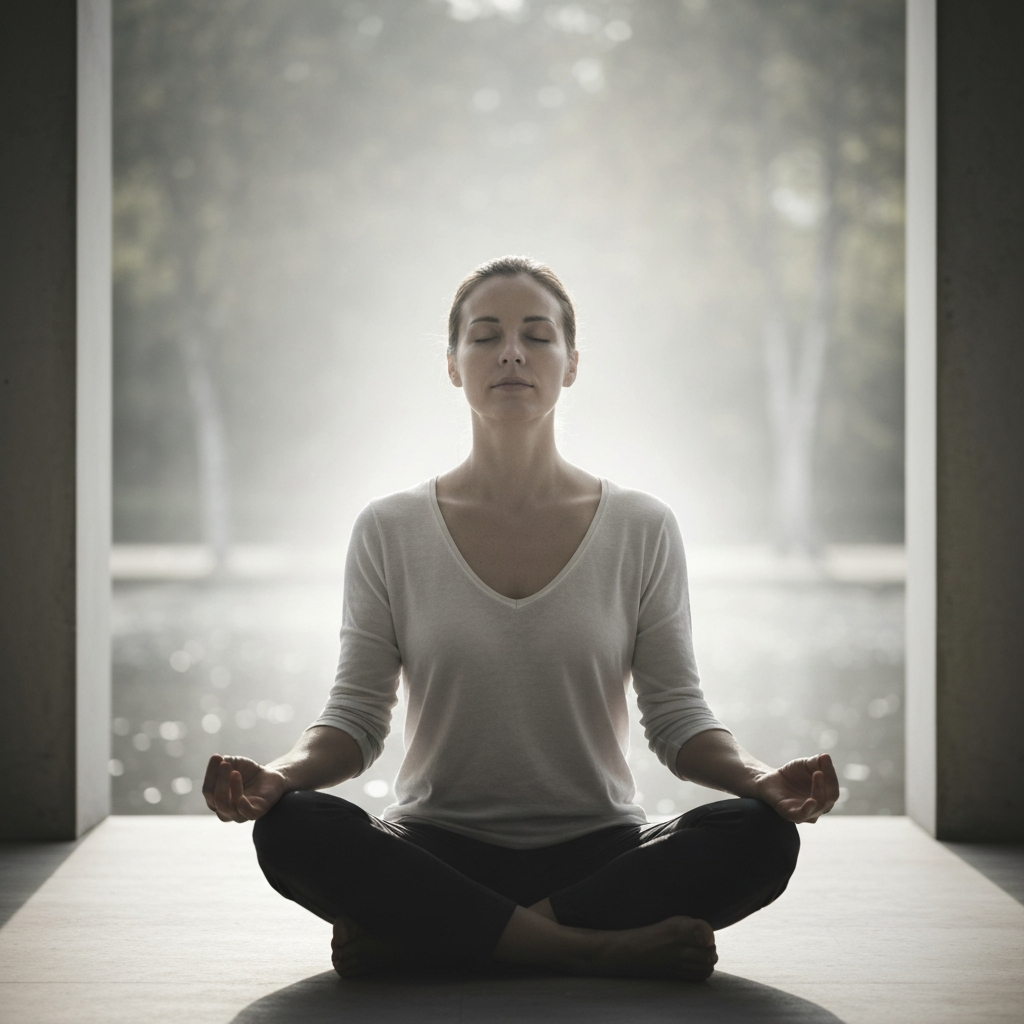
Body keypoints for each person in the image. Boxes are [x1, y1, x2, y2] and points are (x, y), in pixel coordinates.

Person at [203, 255, 840, 982]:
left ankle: (436, 940)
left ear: (571, 364)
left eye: (537, 336)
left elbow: (677, 718)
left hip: (600, 852)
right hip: (435, 846)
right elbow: (355, 722)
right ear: (452, 365)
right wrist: (277, 778)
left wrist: (761, 781)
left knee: (759, 836)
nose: (512, 352)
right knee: (294, 827)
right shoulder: (388, 529)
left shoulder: (642, 527)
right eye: (486, 336)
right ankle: (592, 949)